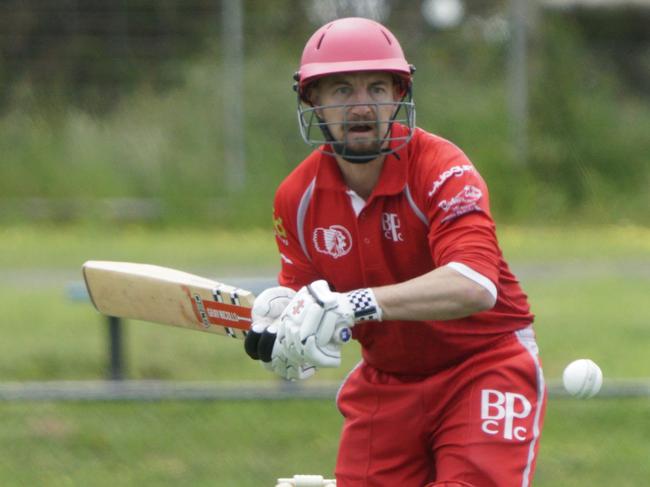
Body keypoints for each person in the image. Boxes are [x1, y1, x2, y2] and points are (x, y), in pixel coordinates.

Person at [244, 17, 546, 487]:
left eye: (377, 88)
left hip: (483, 365)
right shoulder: (295, 198)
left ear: (399, 95)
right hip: (386, 382)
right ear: (312, 101)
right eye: (341, 90)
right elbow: (304, 299)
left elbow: (474, 283)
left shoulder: (442, 168)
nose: (362, 105)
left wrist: (357, 302)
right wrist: (281, 322)